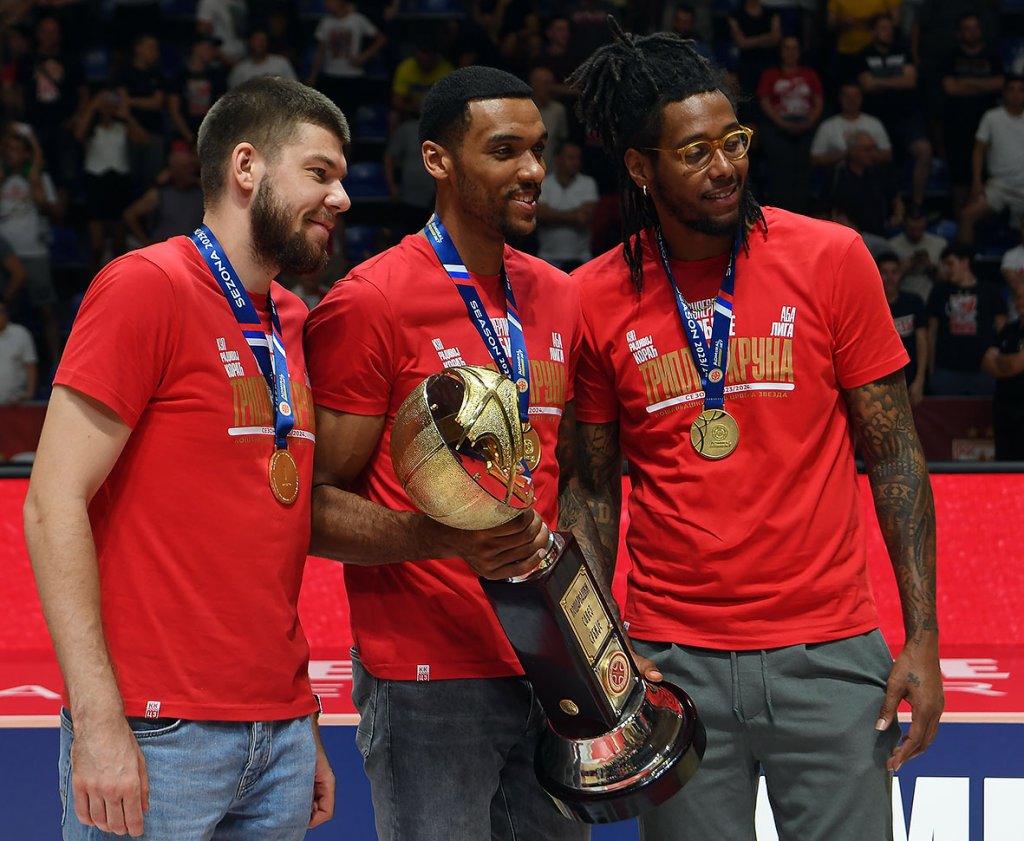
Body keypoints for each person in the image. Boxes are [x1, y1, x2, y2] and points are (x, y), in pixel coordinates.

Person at [568, 26, 942, 841]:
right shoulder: (592, 297)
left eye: (733, 140)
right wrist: (600, 652)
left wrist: (922, 636)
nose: (725, 166)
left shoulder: (832, 259)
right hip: (672, 662)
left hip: (831, 652)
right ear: (640, 166)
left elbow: (894, 454)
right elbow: (590, 489)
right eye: (695, 151)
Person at [22, 76, 351, 840]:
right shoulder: (146, 286)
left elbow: (265, 539)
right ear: (247, 166)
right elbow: (51, 502)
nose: (340, 198)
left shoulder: (292, 318)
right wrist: (98, 721)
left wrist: (300, 718)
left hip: (278, 732)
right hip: (154, 730)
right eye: (320, 172)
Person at [304, 65, 595, 841]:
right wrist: (439, 538)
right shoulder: (372, 302)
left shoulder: (560, 296)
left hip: (555, 666)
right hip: (427, 676)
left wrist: (598, 634)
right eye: (504, 150)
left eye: (539, 149)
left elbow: (564, 481)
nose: (532, 170)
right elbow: (310, 508)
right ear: (436, 159)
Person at [926, 242, 1006, 396]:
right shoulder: (939, 291)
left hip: (983, 370)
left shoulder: (990, 291)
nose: (946, 269)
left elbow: (1002, 330)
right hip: (947, 370)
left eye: (950, 263)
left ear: (965, 262)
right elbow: (931, 332)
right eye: (945, 265)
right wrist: (931, 369)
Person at [957, 75, 1024, 247]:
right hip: (999, 186)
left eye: (1021, 90)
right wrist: (977, 182)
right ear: (1004, 93)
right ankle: (963, 261)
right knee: (966, 216)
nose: (1016, 94)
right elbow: (979, 151)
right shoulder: (992, 117)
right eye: (1011, 89)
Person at [537, 140, 598, 272]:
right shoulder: (544, 184)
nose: (576, 162)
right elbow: (541, 216)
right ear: (558, 159)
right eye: (571, 157)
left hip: (581, 259)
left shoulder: (588, 183)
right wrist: (575, 215)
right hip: (548, 260)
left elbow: (584, 218)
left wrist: (552, 215)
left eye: (578, 158)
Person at [982, 281, 1024, 460]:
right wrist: (1009, 363)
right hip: (1004, 409)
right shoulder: (1008, 330)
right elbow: (987, 363)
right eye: (1018, 297)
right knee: (1005, 463)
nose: (1020, 302)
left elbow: (1014, 364)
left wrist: (1001, 361)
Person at [878, 251, 926, 404]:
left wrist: (920, 379)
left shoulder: (914, 302)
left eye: (894, 272)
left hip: (911, 380)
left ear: (900, 274)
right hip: (879, 382)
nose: (890, 277)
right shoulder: (869, 306)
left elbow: (922, 342)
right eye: (884, 272)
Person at [886, 204, 946, 303]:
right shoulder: (891, 246)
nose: (915, 233)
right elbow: (885, 281)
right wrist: (902, 269)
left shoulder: (940, 244)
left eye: (919, 229)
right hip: (902, 302)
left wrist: (930, 267)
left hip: (931, 300)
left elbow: (947, 279)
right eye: (912, 229)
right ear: (904, 224)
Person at [0, 298, 36, 403]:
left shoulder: (21, 333)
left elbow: (30, 366)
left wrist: (29, 394)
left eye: (1, 312)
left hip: (16, 402)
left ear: (7, 313)